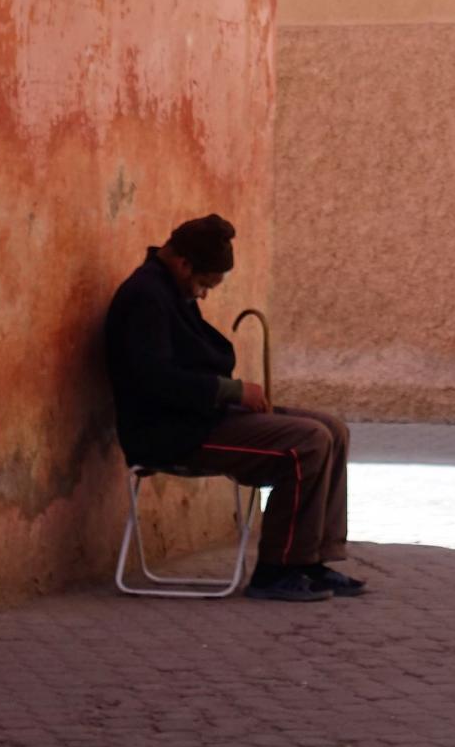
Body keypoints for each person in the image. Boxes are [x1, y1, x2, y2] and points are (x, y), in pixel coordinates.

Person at [105, 213, 365, 603]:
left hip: (202, 418)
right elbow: (155, 379)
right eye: (204, 283)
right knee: (307, 442)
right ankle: (276, 571)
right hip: (170, 434)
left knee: (333, 430)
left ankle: (311, 560)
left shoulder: (170, 289)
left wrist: (231, 395)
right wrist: (231, 391)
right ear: (183, 264)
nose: (204, 294)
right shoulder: (146, 296)